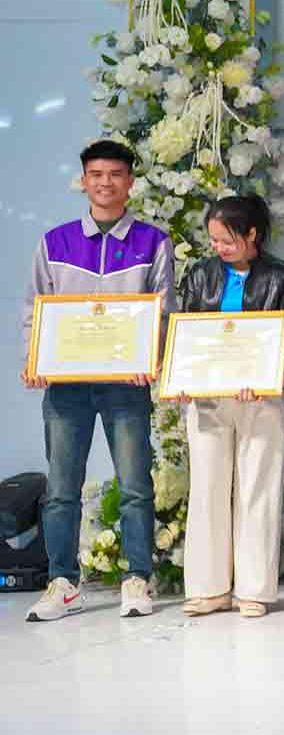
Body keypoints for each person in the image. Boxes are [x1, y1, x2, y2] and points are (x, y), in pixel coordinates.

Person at [21, 140, 174, 623]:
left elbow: (163, 311)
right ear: (83, 180)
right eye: (96, 174)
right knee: (62, 489)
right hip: (65, 385)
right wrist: (36, 359)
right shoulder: (55, 242)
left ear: (130, 181)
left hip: (127, 382)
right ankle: (62, 581)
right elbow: (35, 311)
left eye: (115, 174)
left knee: (134, 485)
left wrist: (148, 357)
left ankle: (138, 578)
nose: (105, 182)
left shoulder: (153, 242)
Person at [174, 194, 284, 618]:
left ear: (252, 235)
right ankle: (208, 589)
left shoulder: (283, 276)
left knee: (258, 487)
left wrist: (266, 374)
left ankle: (255, 590)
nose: (219, 248)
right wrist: (181, 379)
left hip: (260, 399)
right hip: (209, 399)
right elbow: (186, 334)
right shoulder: (198, 275)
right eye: (213, 240)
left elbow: (283, 339)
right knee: (207, 487)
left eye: (226, 240)